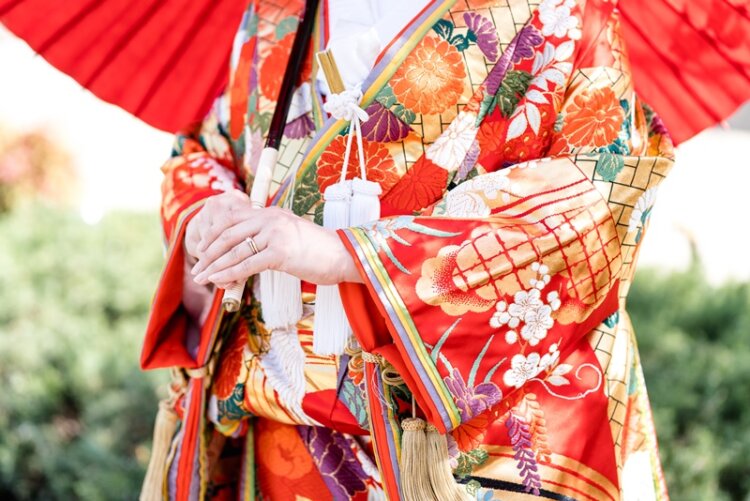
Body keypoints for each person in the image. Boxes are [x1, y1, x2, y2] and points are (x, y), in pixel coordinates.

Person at [140, 0, 676, 499]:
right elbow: (211, 148)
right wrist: (206, 216)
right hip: (283, 425)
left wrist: (352, 256)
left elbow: (600, 198)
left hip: (467, 441)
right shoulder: (279, 11)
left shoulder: (563, 13)